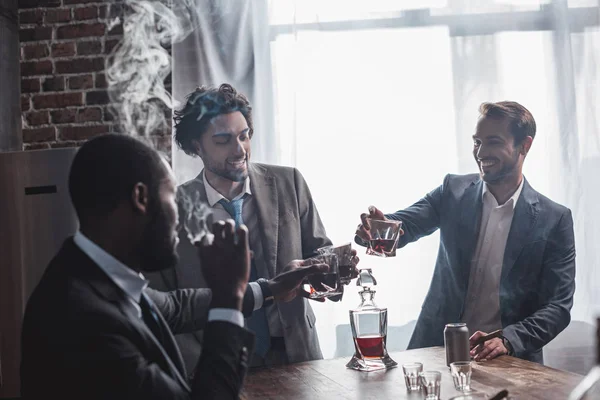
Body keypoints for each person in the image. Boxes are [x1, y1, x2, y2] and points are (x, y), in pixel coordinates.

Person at [20, 134, 329, 399]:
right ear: (141, 198)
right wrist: (228, 300)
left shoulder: (91, 274)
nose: (179, 217)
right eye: (171, 198)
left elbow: (174, 307)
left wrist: (271, 288)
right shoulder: (84, 322)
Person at [148, 83, 358, 368]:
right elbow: (162, 301)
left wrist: (333, 267)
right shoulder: (172, 207)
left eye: (244, 136)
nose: (240, 150)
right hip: (212, 360)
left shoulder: (289, 183)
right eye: (223, 140)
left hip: (294, 351)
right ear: (197, 145)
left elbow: (319, 251)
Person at [355, 101, 576, 364]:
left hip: (508, 360)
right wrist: (376, 228)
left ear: (524, 146)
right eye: (476, 142)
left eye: (492, 142)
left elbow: (557, 307)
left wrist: (508, 340)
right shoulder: (452, 190)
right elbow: (405, 226)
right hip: (435, 351)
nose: (481, 152)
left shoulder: (555, 219)